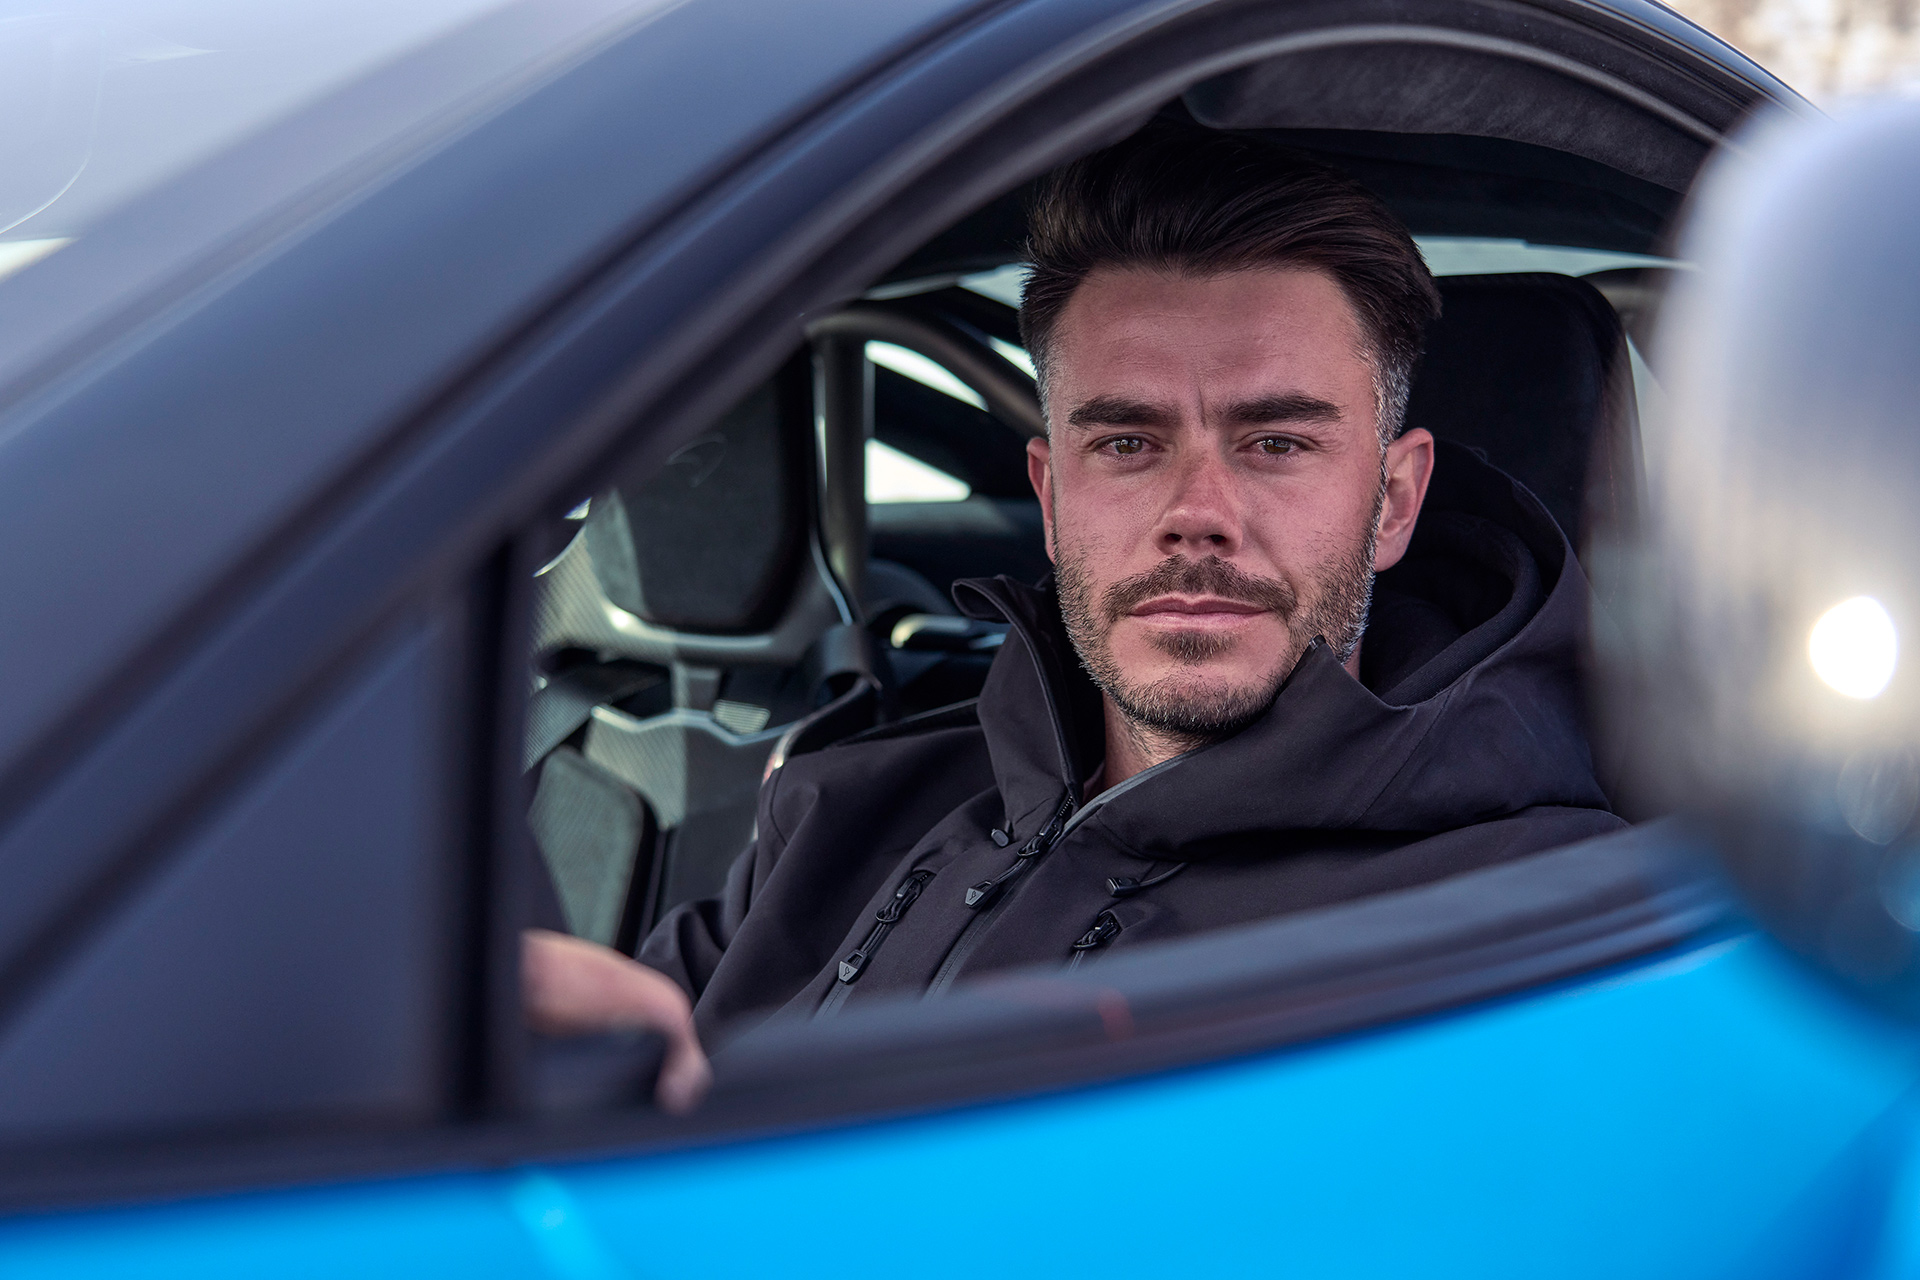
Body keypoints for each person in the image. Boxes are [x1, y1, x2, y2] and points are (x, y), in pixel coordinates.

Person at [523, 123, 1625, 1111]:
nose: (1199, 514)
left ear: (1391, 503)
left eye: (1277, 442)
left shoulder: (1549, 918)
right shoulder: (844, 806)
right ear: (1052, 496)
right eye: (1129, 443)